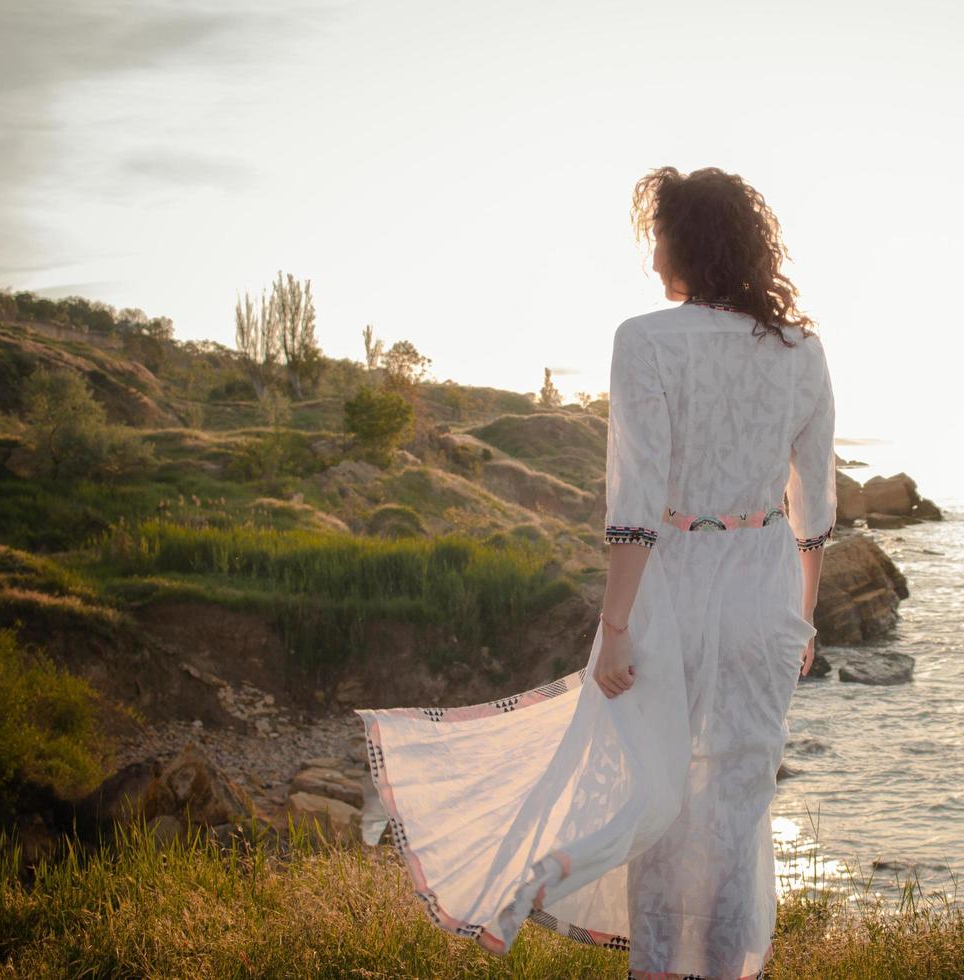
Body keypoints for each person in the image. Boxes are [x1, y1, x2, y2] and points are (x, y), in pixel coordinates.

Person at [355, 165, 837, 980]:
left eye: (658, 241)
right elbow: (814, 499)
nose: (653, 262)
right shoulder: (802, 351)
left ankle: (636, 952)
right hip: (764, 586)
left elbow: (636, 499)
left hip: (672, 584)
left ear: (686, 244)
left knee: (648, 792)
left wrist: (614, 629)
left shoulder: (645, 339)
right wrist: (803, 619)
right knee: (740, 803)